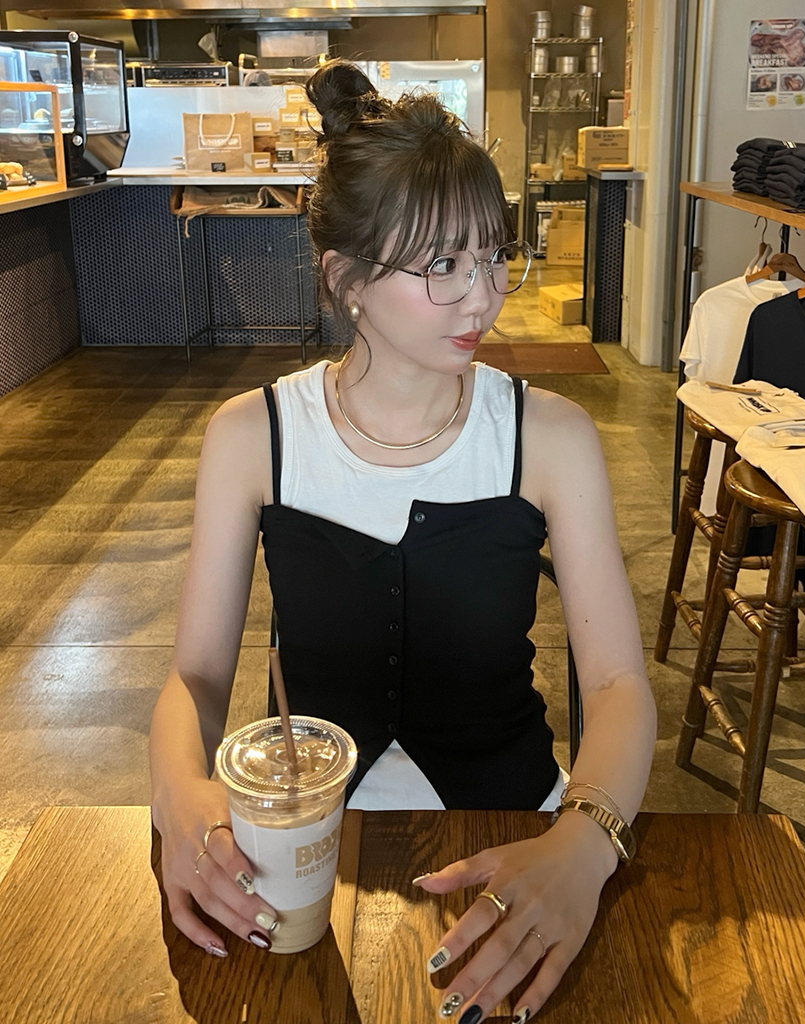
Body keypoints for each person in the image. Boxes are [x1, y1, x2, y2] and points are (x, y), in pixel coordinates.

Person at [149, 60, 656, 1024]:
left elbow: (620, 686)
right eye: (442, 267)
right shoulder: (254, 436)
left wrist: (586, 842)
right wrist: (179, 798)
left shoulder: (550, 437)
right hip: (300, 852)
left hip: (518, 839)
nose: (484, 297)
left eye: (493, 254)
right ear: (346, 279)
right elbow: (196, 678)